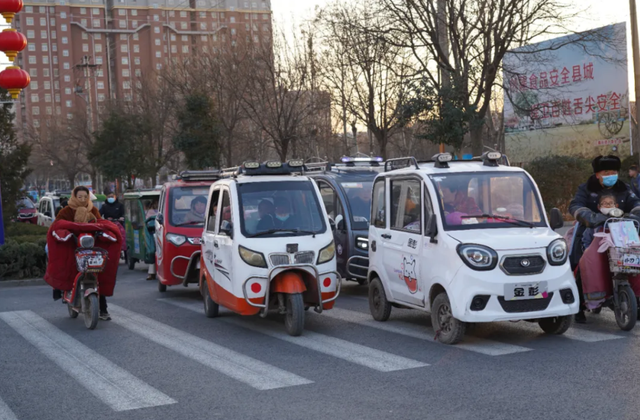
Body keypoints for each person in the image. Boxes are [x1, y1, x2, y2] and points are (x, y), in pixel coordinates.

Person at [569, 155, 640, 323]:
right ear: (598, 174)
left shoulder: (623, 188)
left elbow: (636, 203)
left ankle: (635, 299)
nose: (611, 175)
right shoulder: (586, 188)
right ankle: (580, 305)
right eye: (606, 172)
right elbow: (575, 205)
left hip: (621, 231)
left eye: (614, 172)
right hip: (591, 231)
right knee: (582, 263)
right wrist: (589, 216)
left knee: (633, 259)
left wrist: (635, 214)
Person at [53, 186, 112, 321]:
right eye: (80, 197)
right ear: (74, 197)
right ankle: (66, 293)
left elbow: (100, 223)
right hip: (72, 246)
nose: (83, 199)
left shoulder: (93, 210)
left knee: (98, 275)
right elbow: (57, 225)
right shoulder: (65, 211)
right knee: (70, 270)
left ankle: (103, 309)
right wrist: (66, 233)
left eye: (85, 197)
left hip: (91, 248)